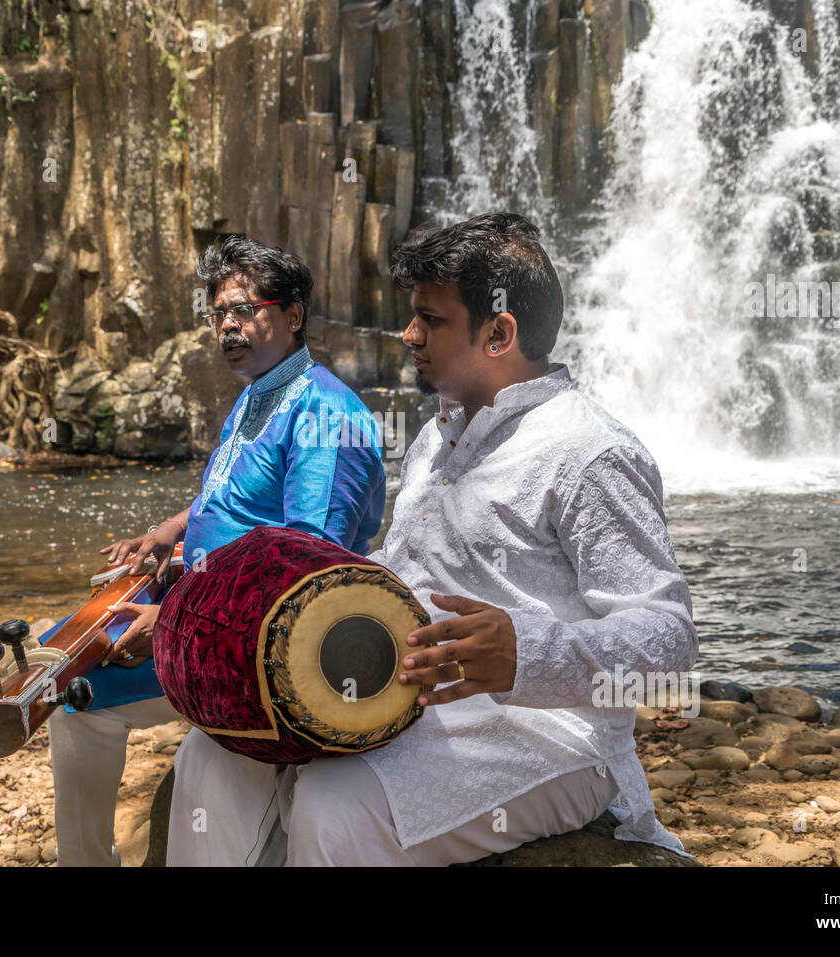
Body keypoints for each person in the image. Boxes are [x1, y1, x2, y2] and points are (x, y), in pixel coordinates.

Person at [167, 212, 698, 865]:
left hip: (553, 732)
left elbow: (668, 637)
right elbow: (403, 571)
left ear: (498, 331)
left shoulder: (590, 451)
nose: (408, 333)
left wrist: (523, 652)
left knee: (338, 806)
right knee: (214, 752)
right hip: (415, 698)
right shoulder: (436, 436)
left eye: (431, 319)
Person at [48, 234, 387, 866]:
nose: (228, 326)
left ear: (293, 314)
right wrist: (172, 534)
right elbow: (233, 498)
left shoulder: (324, 416)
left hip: (265, 651)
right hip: (216, 614)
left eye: (245, 309)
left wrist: (173, 619)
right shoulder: (261, 393)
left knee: (77, 698)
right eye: (218, 315)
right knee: (61, 661)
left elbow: (306, 573)